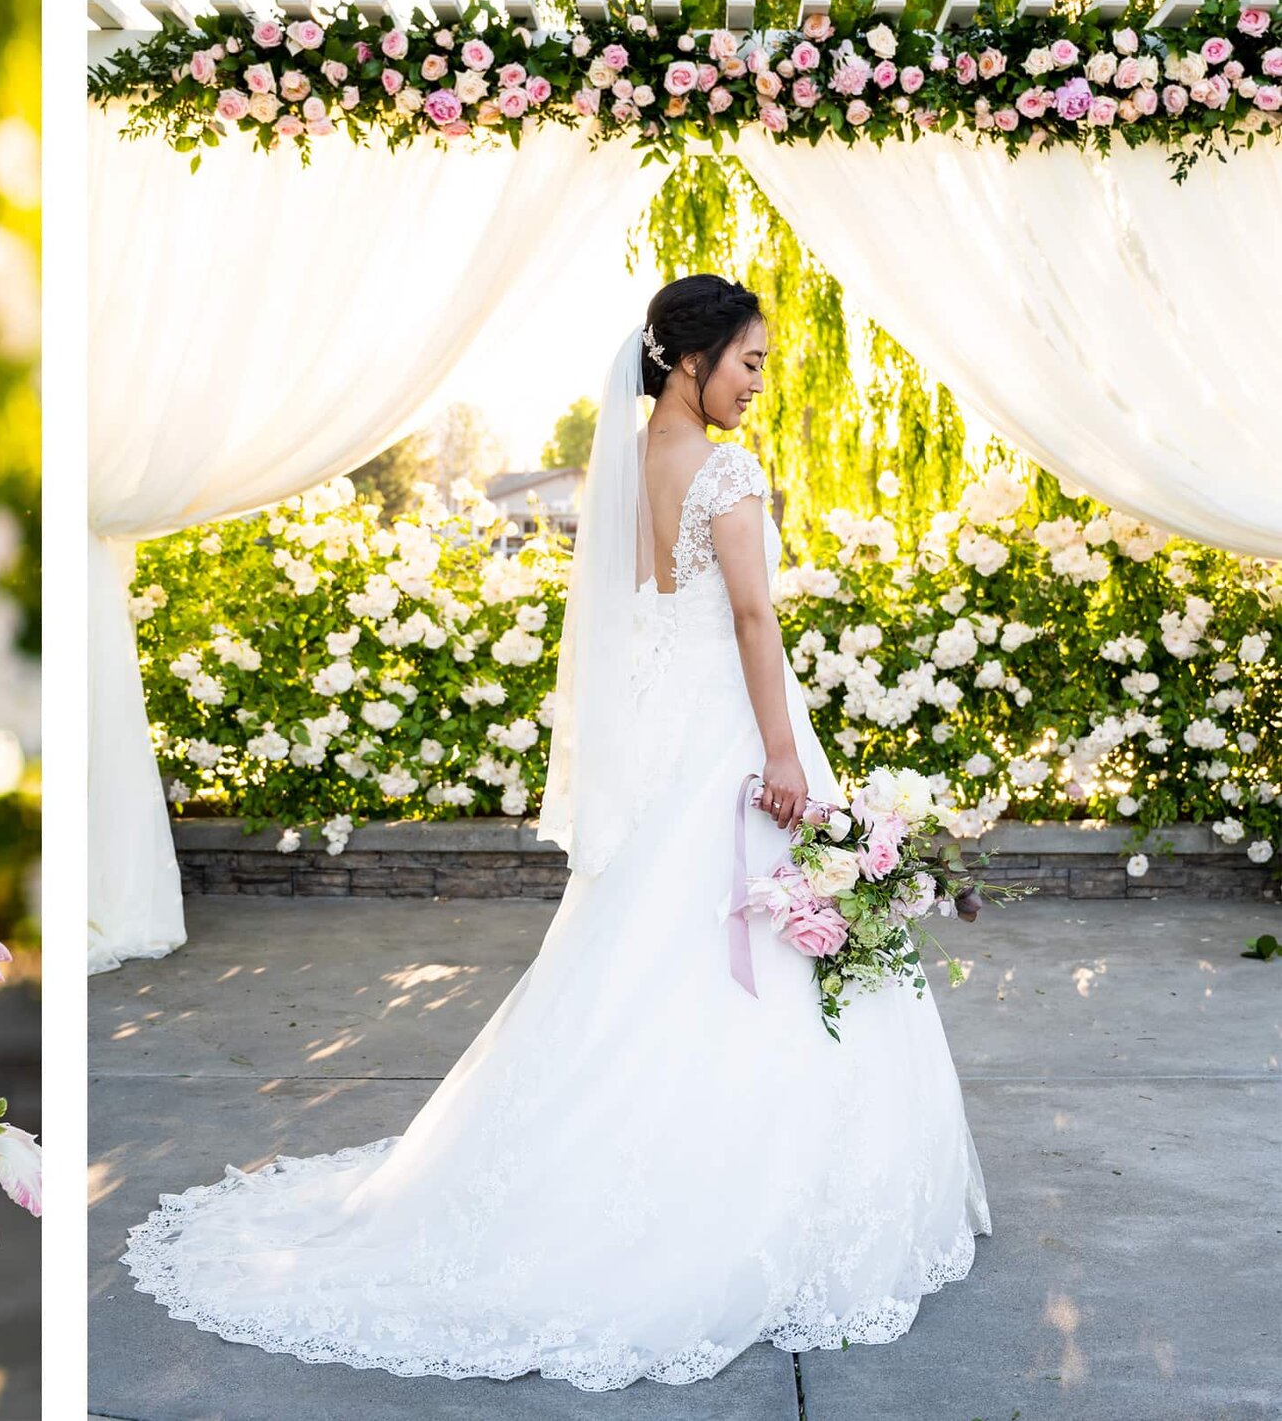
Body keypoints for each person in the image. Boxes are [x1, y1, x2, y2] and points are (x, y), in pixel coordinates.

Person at [122, 275, 990, 1390]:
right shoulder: (721, 468)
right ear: (688, 359)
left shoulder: (624, 465)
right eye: (749, 363)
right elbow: (750, 613)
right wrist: (782, 753)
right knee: (766, 947)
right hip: (730, 734)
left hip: (669, 744)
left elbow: (637, 626)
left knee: (648, 956)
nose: (756, 387)